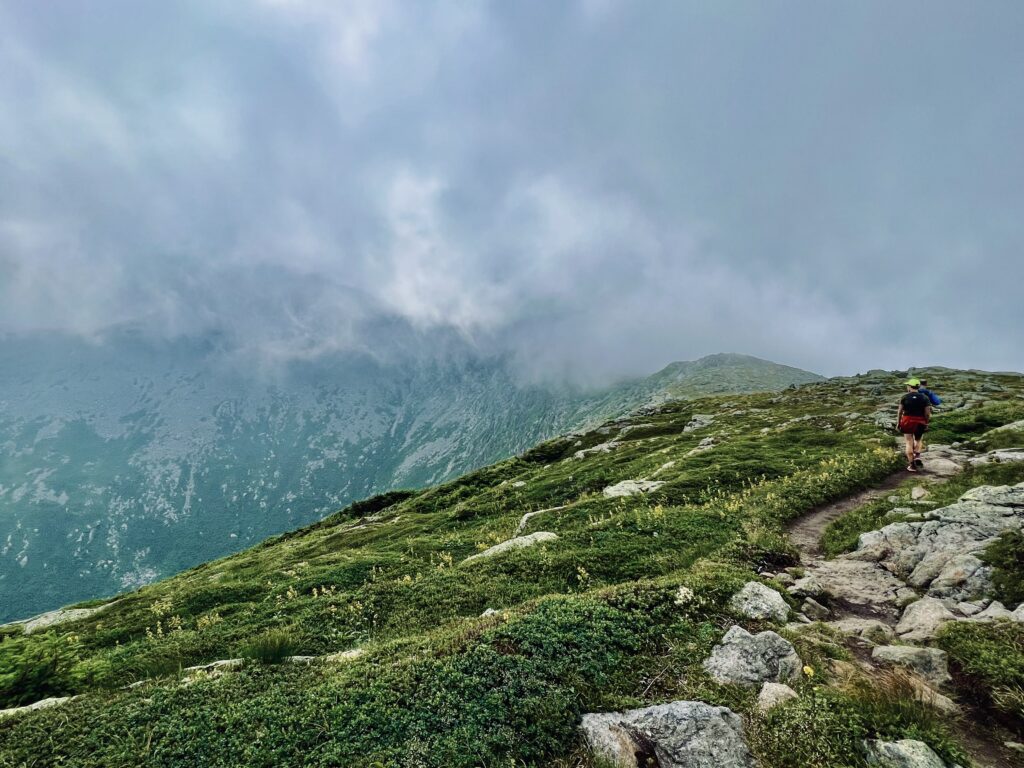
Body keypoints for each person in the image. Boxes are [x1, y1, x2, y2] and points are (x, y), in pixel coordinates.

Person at [897, 378, 932, 472]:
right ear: (918, 386)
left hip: (907, 420)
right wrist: (927, 422)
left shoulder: (904, 397)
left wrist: (898, 423)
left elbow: (900, 412)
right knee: (918, 439)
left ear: (909, 386)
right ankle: (917, 456)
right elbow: (927, 413)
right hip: (920, 421)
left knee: (909, 442)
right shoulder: (925, 397)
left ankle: (912, 466)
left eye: (907, 385)